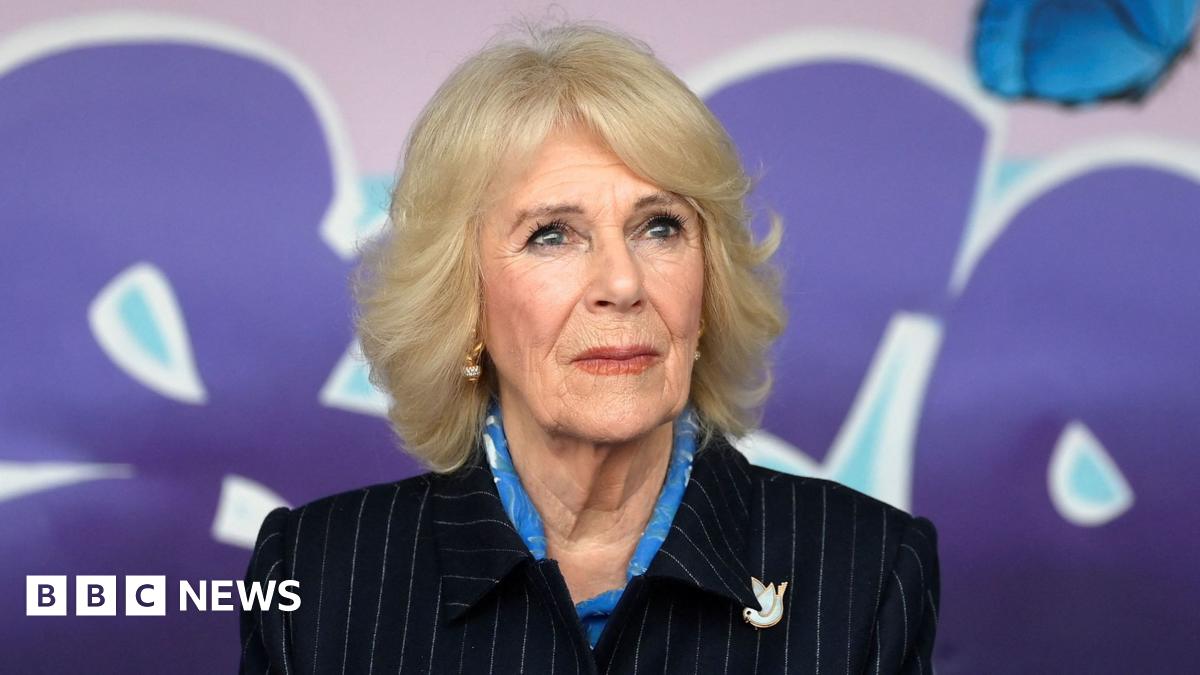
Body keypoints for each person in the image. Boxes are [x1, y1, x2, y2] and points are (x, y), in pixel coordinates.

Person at [239, 20, 938, 674]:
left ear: (708, 287)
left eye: (660, 226)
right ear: (465, 304)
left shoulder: (867, 570)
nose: (622, 283)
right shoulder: (314, 577)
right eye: (552, 234)